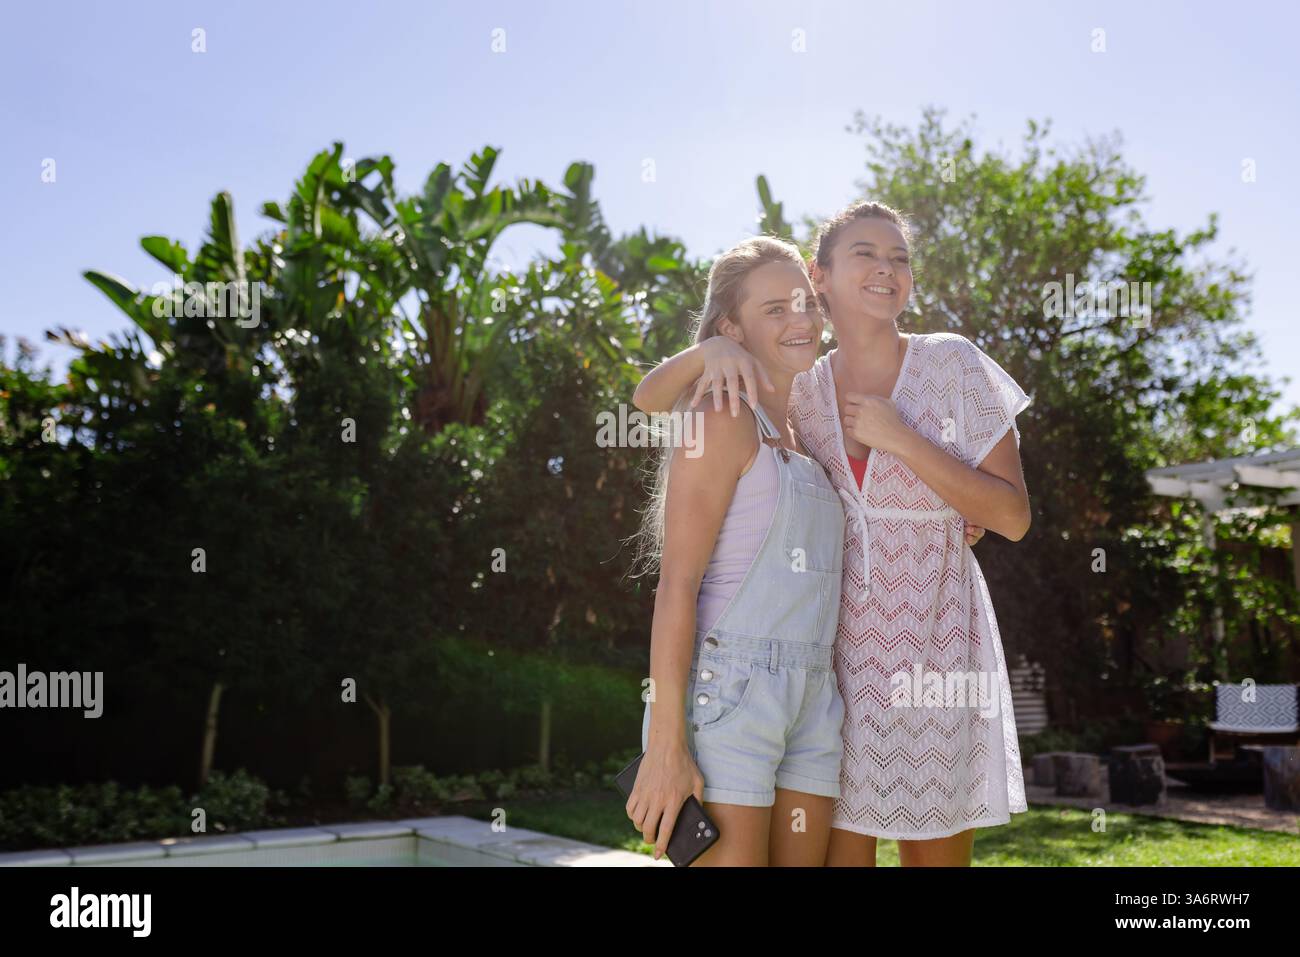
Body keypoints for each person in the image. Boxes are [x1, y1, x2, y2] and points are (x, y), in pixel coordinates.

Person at [631, 202, 1031, 866]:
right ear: (823, 275)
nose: (885, 269)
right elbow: (652, 406)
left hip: (858, 687)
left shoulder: (885, 386)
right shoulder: (758, 403)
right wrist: (712, 347)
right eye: (865, 254)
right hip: (781, 682)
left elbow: (1002, 514)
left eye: (899, 257)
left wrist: (923, 472)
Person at [625, 236, 846, 866]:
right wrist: (667, 746)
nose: (800, 320)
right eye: (774, 309)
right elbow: (676, 587)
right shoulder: (722, 417)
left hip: (813, 695)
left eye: (804, 303)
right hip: (727, 697)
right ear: (732, 328)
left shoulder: (810, 432)